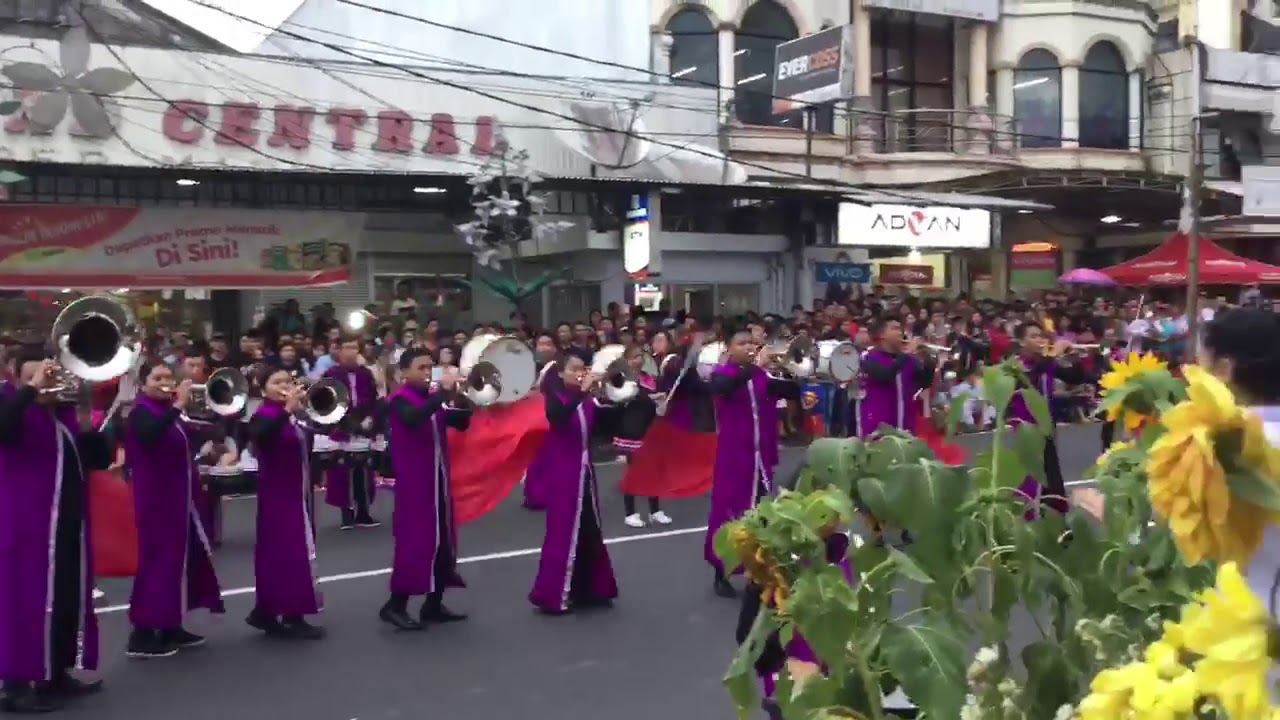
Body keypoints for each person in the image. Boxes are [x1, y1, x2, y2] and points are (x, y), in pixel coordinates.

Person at [0, 351, 112, 712]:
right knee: (24, 603)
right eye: (38, 375)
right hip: (26, 526)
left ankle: (56, 673)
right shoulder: (13, 408)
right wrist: (31, 389)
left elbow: (99, 460)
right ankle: (16, 685)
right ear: (18, 379)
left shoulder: (61, 416)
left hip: (65, 526)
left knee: (66, 598)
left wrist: (86, 419)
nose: (49, 381)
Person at [124, 361, 225, 658]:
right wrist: (178, 406)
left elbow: (183, 437)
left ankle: (170, 623)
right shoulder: (140, 412)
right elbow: (150, 436)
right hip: (156, 502)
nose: (165, 382)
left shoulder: (167, 413)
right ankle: (142, 633)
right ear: (143, 384)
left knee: (179, 563)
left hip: (179, 500)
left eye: (169, 377)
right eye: (158, 378)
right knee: (157, 563)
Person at [379, 349, 471, 631]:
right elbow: (413, 419)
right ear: (404, 372)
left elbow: (462, 423)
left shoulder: (432, 400)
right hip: (415, 485)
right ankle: (395, 605)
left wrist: (464, 394)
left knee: (444, 541)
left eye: (430, 367)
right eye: (421, 367)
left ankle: (434, 604)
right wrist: (440, 395)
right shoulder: (399, 400)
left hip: (439, 482)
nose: (426, 372)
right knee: (416, 544)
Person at [704, 331, 800, 598]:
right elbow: (722, 388)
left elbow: (790, 390)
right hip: (734, 455)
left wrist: (789, 368)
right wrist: (755, 366)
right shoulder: (722, 373)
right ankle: (720, 571)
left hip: (761, 456)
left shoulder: (761, 375)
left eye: (751, 343)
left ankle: (757, 572)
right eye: (741, 343)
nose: (748, 347)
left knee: (760, 514)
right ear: (729, 348)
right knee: (728, 512)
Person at [528, 353, 618, 615]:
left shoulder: (588, 400)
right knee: (563, 530)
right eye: (575, 369)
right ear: (562, 373)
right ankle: (553, 594)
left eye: (583, 368)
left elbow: (603, 429)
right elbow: (557, 418)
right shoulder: (556, 398)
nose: (580, 373)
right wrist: (583, 393)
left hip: (585, 473)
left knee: (589, 529)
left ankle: (589, 589)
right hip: (563, 473)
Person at [244, 367, 324, 639]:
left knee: (292, 552)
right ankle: (289, 614)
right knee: (286, 553)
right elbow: (261, 438)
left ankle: (270, 612)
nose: (284, 386)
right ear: (263, 388)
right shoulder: (263, 415)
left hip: (297, 491)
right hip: (277, 494)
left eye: (287, 381)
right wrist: (288, 410)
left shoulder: (291, 416)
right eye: (276, 382)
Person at [1010, 322, 1083, 515]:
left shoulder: (1046, 362)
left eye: (1041, 336)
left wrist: (1075, 358)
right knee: (1031, 481)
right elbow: (1029, 379)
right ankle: (1029, 521)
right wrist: (1052, 354)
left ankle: (1058, 525)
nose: (1040, 340)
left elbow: (1074, 377)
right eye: (1033, 336)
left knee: (1053, 482)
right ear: (1021, 341)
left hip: (1048, 431)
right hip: (1028, 433)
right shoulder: (1016, 365)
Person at [323, 337, 380, 529]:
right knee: (341, 472)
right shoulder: (331, 374)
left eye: (353, 347)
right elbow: (326, 403)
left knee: (364, 471)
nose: (350, 351)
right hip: (342, 427)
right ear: (339, 351)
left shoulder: (366, 373)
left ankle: (363, 512)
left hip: (364, 425)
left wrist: (370, 418)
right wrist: (346, 422)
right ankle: (346, 515)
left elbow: (373, 399)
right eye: (346, 347)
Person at [616, 344, 671, 528]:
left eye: (641, 356)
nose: (638, 360)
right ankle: (629, 512)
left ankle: (655, 510)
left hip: (650, 428)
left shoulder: (649, 378)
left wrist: (661, 400)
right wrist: (652, 398)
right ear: (626, 360)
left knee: (654, 470)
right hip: (632, 430)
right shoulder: (621, 379)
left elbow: (652, 397)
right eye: (634, 357)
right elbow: (632, 396)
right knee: (634, 472)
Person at [858, 318, 933, 437]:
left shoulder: (909, 360)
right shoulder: (869, 356)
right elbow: (883, 375)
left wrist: (929, 361)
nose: (900, 333)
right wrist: (905, 355)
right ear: (882, 335)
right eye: (894, 328)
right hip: (878, 427)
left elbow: (925, 382)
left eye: (900, 329)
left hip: (906, 427)